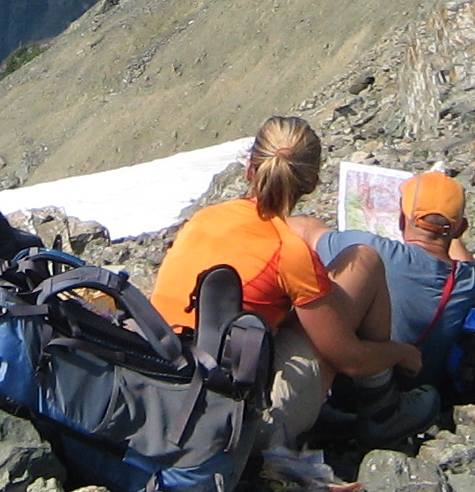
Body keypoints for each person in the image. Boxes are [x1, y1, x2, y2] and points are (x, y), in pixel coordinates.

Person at [149, 116, 436, 451]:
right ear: (310, 184)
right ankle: (383, 409)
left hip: (164, 401)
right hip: (239, 433)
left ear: (249, 170)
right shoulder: (289, 251)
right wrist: (401, 354)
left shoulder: (203, 219)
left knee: (290, 314)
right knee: (363, 264)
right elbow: (350, 358)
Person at [312, 169, 475, 391]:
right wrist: (448, 230)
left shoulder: (371, 248)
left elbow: (307, 230)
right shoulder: (473, 280)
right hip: (420, 391)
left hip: (351, 386)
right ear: (461, 229)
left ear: (400, 219)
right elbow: (465, 260)